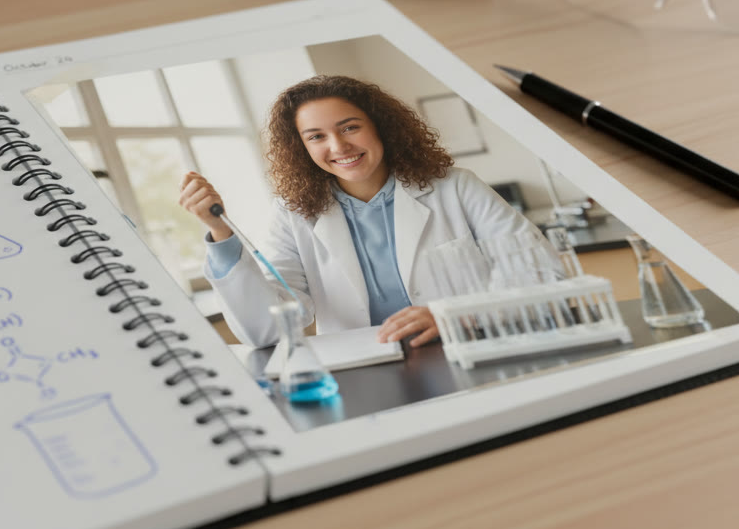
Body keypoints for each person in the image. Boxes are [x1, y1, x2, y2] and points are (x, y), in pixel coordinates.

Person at [178, 74, 553, 349]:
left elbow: (540, 272)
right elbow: (265, 330)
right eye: (316, 136)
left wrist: (454, 313)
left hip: (467, 344)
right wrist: (220, 234)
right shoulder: (295, 214)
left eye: (350, 127)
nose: (338, 146)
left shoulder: (454, 186)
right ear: (302, 148)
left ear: (381, 128)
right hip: (366, 370)